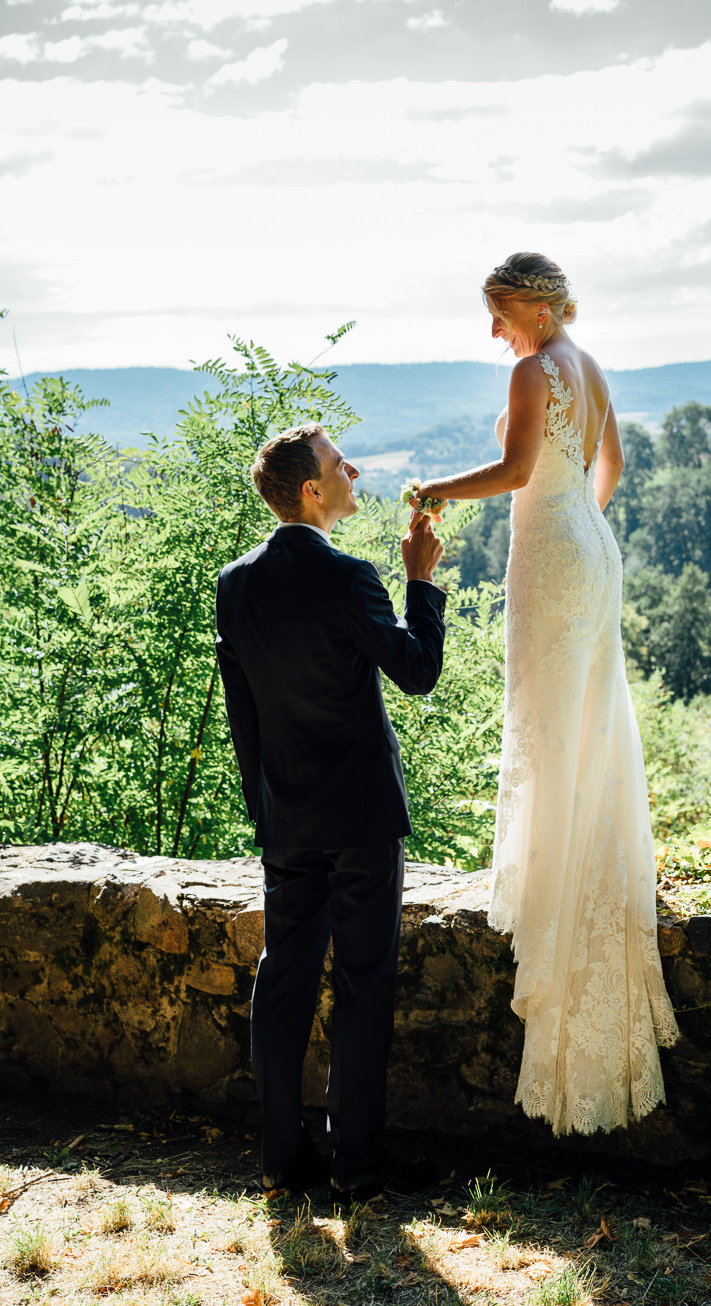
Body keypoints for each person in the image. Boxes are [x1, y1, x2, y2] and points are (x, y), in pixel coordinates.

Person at [410, 252, 678, 1134]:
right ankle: (579, 856)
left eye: (498, 313)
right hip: (589, 548)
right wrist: (583, 519)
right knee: (586, 716)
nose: (494, 332)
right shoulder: (589, 365)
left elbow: (519, 471)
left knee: (552, 716)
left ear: (533, 304)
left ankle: (557, 878)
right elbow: (616, 466)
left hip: (556, 558)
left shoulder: (536, 370)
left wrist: (438, 488)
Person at [215, 422, 446, 1199]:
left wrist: (266, 808)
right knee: (363, 979)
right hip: (361, 816)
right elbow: (416, 673)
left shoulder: (235, 582)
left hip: (288, 817)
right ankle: (360, 1162)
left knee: (283, 979)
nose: (354, 468)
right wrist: (420, 581)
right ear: (313, 491)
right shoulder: (351, 576)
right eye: (339, 463)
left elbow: (240, 713)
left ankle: (286, 1157)